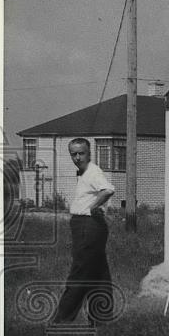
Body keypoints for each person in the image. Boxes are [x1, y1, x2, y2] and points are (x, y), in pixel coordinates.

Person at [52, 138, 116, 325]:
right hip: (87, 225)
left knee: (79, 272)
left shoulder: (93, 172)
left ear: (89, 153)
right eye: (74, 154)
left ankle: (61, 321)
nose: (78, 157)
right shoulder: (84, 173)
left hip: (88, 225)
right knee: (98, 272)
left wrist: (92, 206)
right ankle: (101, 319)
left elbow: (108, 190)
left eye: (82, 153)